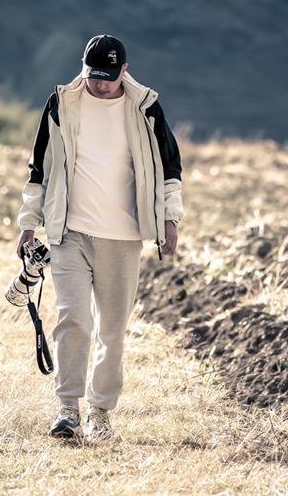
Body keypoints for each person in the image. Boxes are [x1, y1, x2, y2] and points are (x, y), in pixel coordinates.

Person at [15, 34, 183, 442]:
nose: (101, 84)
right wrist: (28, 223)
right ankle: (68, 409)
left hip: (123, 237)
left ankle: (100, 412)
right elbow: (40, 166)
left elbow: (169, 168)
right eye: (94, 76)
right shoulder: (62, 104)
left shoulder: (146, 108)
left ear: (124, 71)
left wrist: (170, 220)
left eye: (109, 77)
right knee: (73, 318)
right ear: (84, 67)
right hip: (69, 232)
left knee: (112, 330)